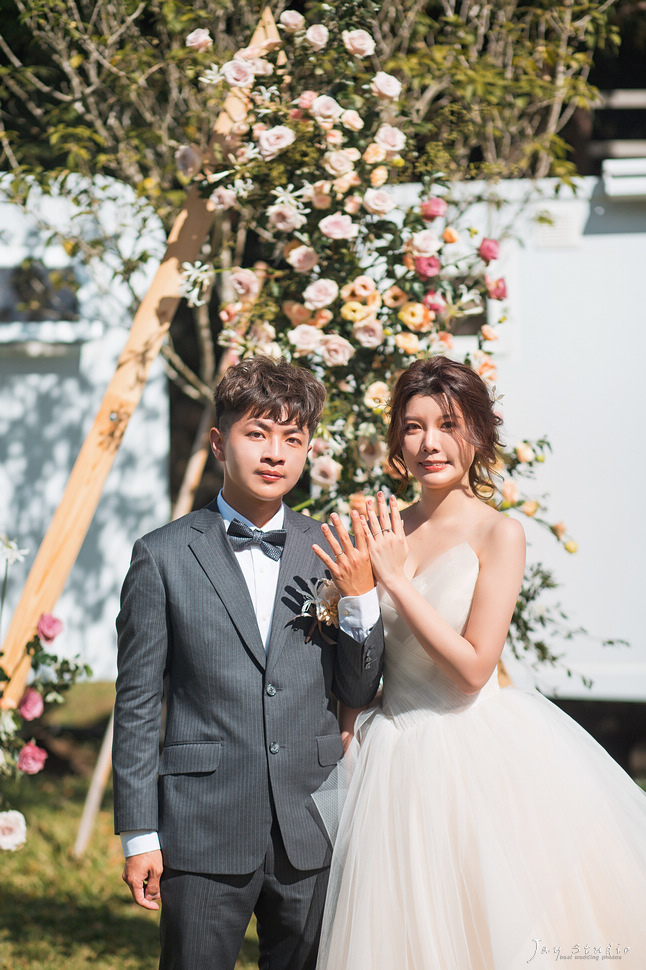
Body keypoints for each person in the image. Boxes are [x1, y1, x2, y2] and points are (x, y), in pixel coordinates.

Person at [312, 355, 646, 970]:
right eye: (413, 427)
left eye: (448, 424)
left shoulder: (500, 534)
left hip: (469, 750)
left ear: (479, 434)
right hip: (386, 750)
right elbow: (360, 643)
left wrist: (396, 579)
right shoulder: (383, 528)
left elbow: (473, 670)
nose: (429, 443)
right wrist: (349, 719)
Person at [112, 355, 384, 970]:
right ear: (219, 442)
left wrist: (361, 599)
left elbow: (358, 687)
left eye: (293, 438)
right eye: (257, 433)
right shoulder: (161, 556)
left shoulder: (331, 550)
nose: (274, 454)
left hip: (313, 820)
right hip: (202, 826)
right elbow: (136, 705)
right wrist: (139, 833)